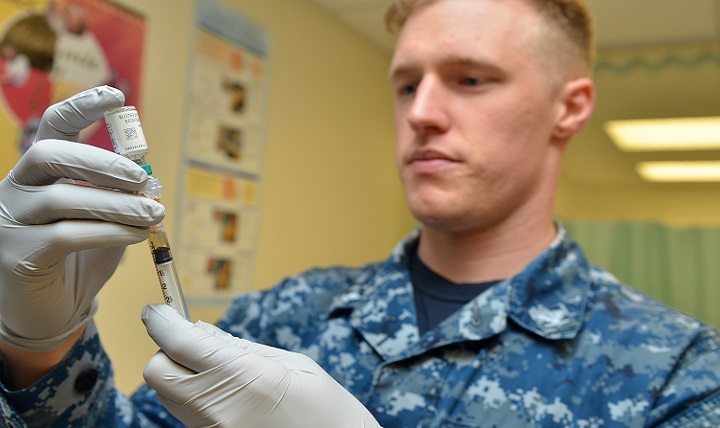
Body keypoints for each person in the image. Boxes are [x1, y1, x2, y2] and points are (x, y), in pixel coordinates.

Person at [0, 0, 718, 426]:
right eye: (407, 85)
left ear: (571, 107)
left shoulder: (675, 376)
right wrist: (42, 349)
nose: (423, 113)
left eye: (470, 79)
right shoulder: (288, 316)